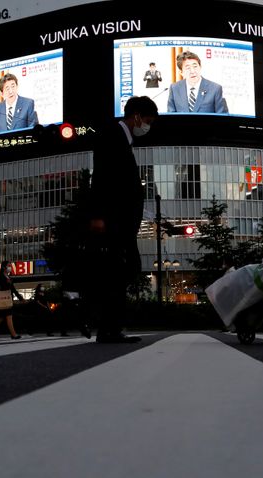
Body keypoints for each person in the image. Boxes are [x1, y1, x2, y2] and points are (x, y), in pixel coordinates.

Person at [87, 95, 158, 343]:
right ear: (136, 116)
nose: (146, 127)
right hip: (114, 220)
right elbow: (101, 176)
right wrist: (97, 215)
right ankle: (106, 326)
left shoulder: (123, 141)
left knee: (123, 270)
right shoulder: (111, 135)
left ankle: (108, 326)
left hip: (121, 221)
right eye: (147, 121)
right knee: (120, 271)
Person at [0, 261, 23, 340]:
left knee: (0, 318)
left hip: (6, 300)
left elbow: (13, 289)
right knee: (8, 316)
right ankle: (13, 334)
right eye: (8, 266)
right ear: (3, 267)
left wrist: (20, 298)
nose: (10, 267)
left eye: (10, 266)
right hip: (4, 300)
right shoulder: (0, 277)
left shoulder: (8, 277)